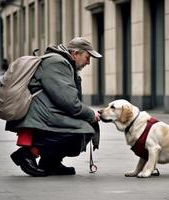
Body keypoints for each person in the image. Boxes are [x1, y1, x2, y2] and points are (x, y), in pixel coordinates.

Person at [6, 37, 102, 176]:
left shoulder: (62, 63)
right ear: (75, 54)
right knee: (83, 131)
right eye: (87, 57)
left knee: (85, 126)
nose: (88, 62)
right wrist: (91, 115)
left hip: (44, 116)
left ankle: (51, 162)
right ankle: (28, 153)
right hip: (40, 119)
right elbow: (68, 102)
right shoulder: (57, 63)